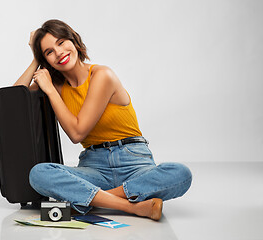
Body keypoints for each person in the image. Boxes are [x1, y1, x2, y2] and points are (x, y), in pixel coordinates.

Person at [14, 19, 192, 221]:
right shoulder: (54, 85)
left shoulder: (102, 75)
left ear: (74, 41)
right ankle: (132, 206)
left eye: (62, 42)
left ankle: (92, 199)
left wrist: (49, 90)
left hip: (133, 162)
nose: (59, 52)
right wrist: (35, 59)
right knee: (39, 174)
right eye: (49, 52)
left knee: (181, 173)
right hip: (94, 167)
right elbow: (13, 102)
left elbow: (77, 132)